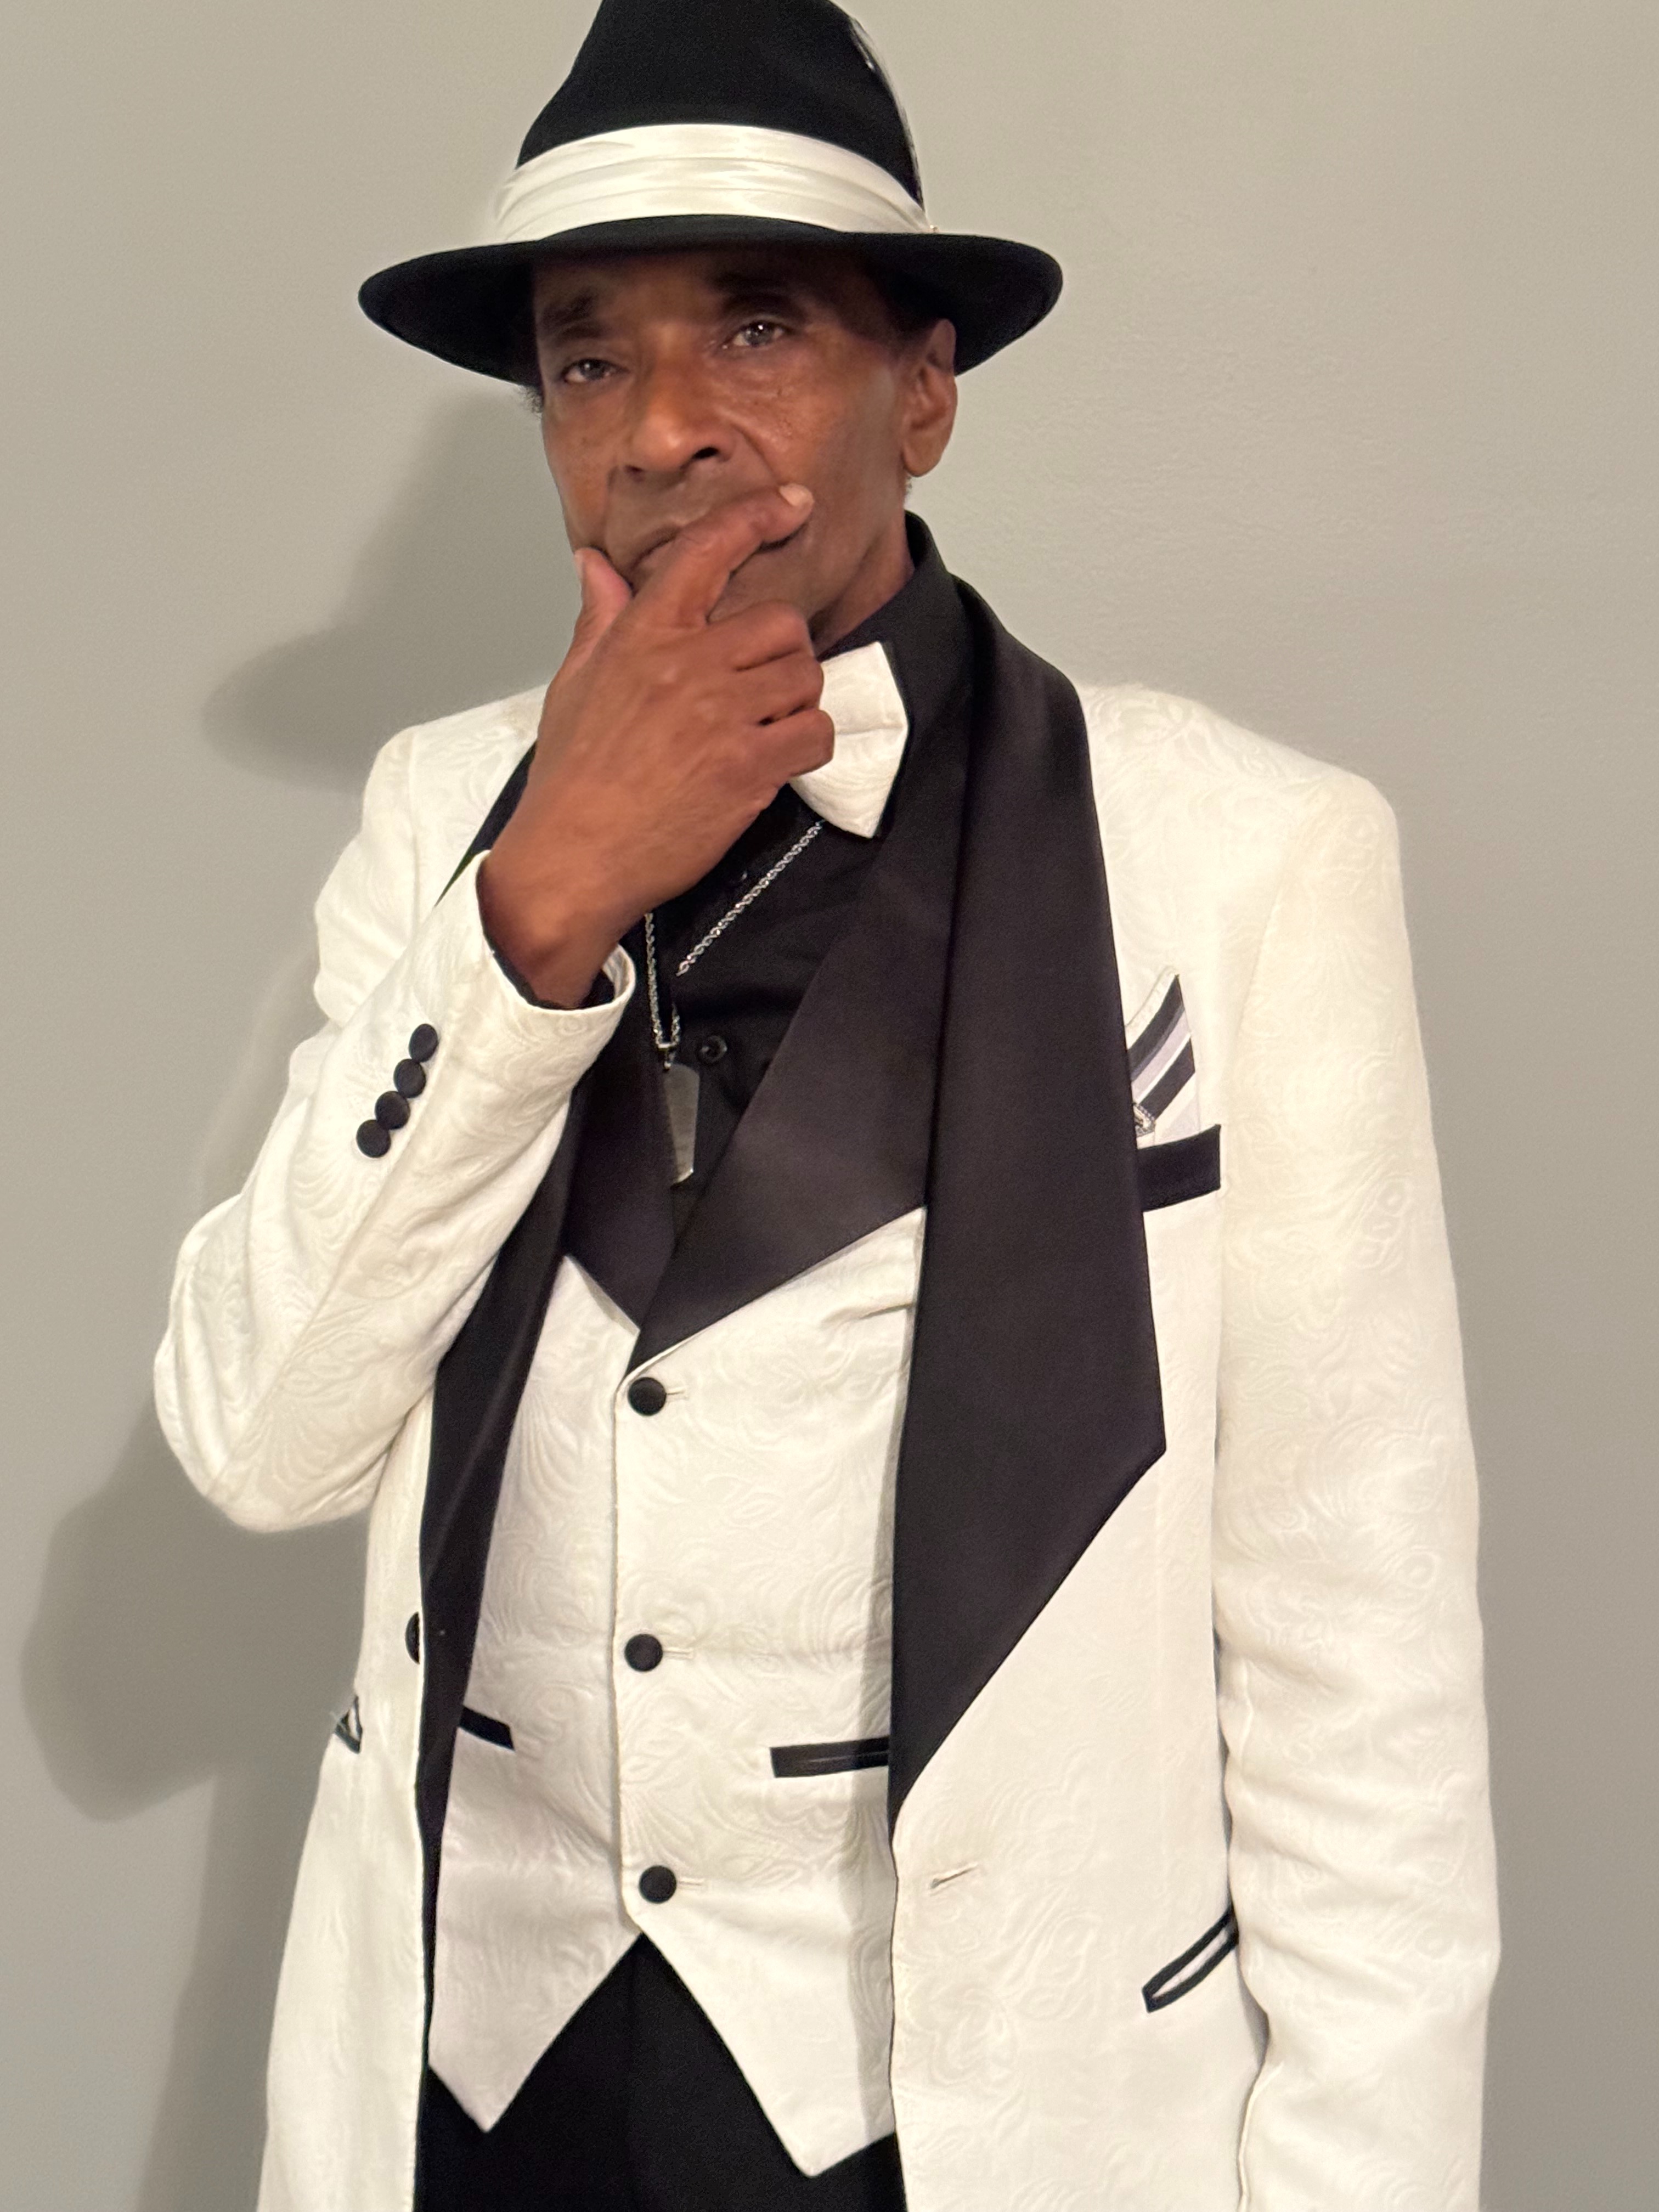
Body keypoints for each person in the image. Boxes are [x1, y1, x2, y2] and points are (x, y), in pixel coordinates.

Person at [155, 3, 1500, 2207]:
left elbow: (1366, 1669)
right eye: (588, 359)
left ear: (926, 393)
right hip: (479, 2077)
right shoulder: (440, 818)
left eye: (759, 326)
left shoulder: (1248, 859)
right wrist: (534, 908)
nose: (662, 425)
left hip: (965, 2105)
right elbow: (257, 1441)